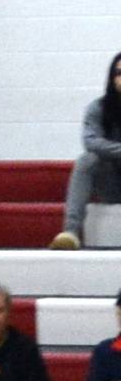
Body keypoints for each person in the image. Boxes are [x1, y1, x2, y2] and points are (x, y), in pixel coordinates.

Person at [49, 52, 121, 249]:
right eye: (118, 73)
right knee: (87, 160)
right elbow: (91, 142)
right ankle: (70, 232)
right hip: (113, 184)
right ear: (111, 78)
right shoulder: (98, 108)